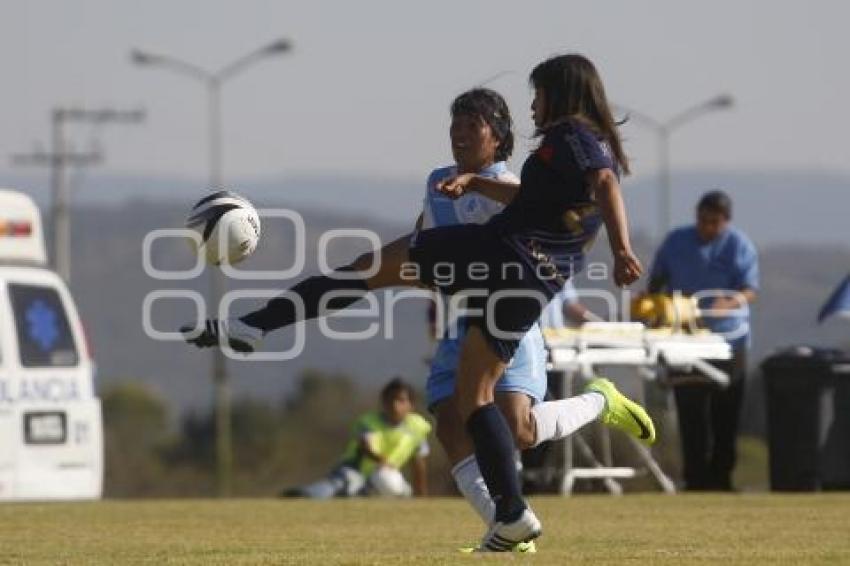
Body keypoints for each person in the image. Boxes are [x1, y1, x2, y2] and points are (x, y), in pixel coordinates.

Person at [185, 54, 652, 551]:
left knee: (367, 275)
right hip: (524, 279)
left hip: (500, 260)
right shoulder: (554, 153)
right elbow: (538, 203)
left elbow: (603, 183)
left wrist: (622, 249)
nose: (533, 104)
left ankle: (257, 325)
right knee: (467, 403)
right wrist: (471, 186)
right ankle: (512, 517)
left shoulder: (571, 136)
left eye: (537, 94)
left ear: (560, 93)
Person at [420, 89, 633, 551]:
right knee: (450, 425)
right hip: (459, 322)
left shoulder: (512, 184)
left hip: (510, 322)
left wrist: (476, 183)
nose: (459, 133)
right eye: (454, 124)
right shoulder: (437, 182)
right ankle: (509, 528)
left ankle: (598, 401)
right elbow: (425, 238)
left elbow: (534, 209)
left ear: (497, 137)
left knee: (517, 430)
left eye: (471, 125)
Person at [648, 190, 758, 491]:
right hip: (685, 338)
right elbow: (656, 282)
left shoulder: (738, 246)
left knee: (726, 412)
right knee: (690, 410)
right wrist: (655, 306)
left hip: (729, 341)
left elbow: (750, 289)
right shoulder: (677, 241)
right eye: (702, 220)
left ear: (725, 221)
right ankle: (694, 478)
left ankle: (722, 478)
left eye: (713, 222)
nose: (706, 227)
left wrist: (730, 301)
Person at [283, 378, 430, 498]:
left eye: (401, 400)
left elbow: (419, 464)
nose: (395, 405)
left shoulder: (417, 427)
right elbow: (365, 446)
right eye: (390, 400)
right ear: (383, 402)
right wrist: (381, 460)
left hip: (386, 477)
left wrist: (421, 496)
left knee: (401, 492)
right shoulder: (369, 422)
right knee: (340, 484)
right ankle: (306, 495)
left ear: (411, 405)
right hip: (356, 470)